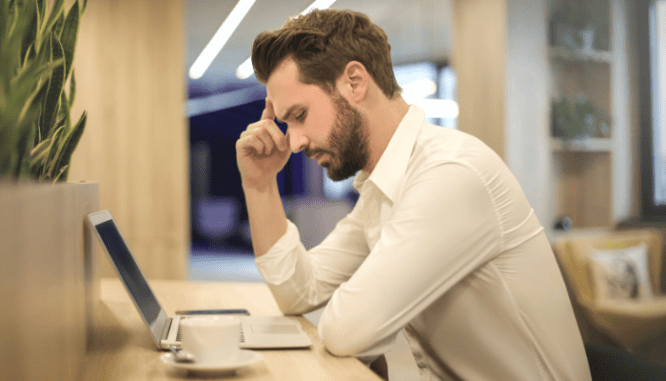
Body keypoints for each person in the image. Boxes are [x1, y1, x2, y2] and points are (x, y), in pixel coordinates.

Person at [235, 8, 592, 381]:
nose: (294, 142)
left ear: (354, 82)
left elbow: (347, 330)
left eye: (300, 115)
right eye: (286, 124)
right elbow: (299, 292)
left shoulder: (451, 174)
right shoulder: (383, 188)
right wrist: (259, 185)